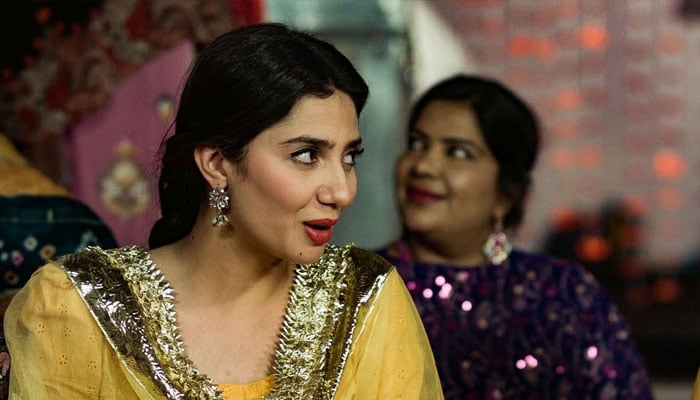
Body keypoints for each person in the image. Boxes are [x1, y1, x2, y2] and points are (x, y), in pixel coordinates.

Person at [4, 23, 443, 399]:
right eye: (307, 155)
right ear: (216, 164)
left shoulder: (364, 301)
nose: (342, 191)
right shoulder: (74, 307)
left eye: (349, 157)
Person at [375, 74, 653, 399]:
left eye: (458, 153)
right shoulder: (358, 284)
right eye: (417, 144)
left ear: (506, 195)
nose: (423, 165)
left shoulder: (561, 296)